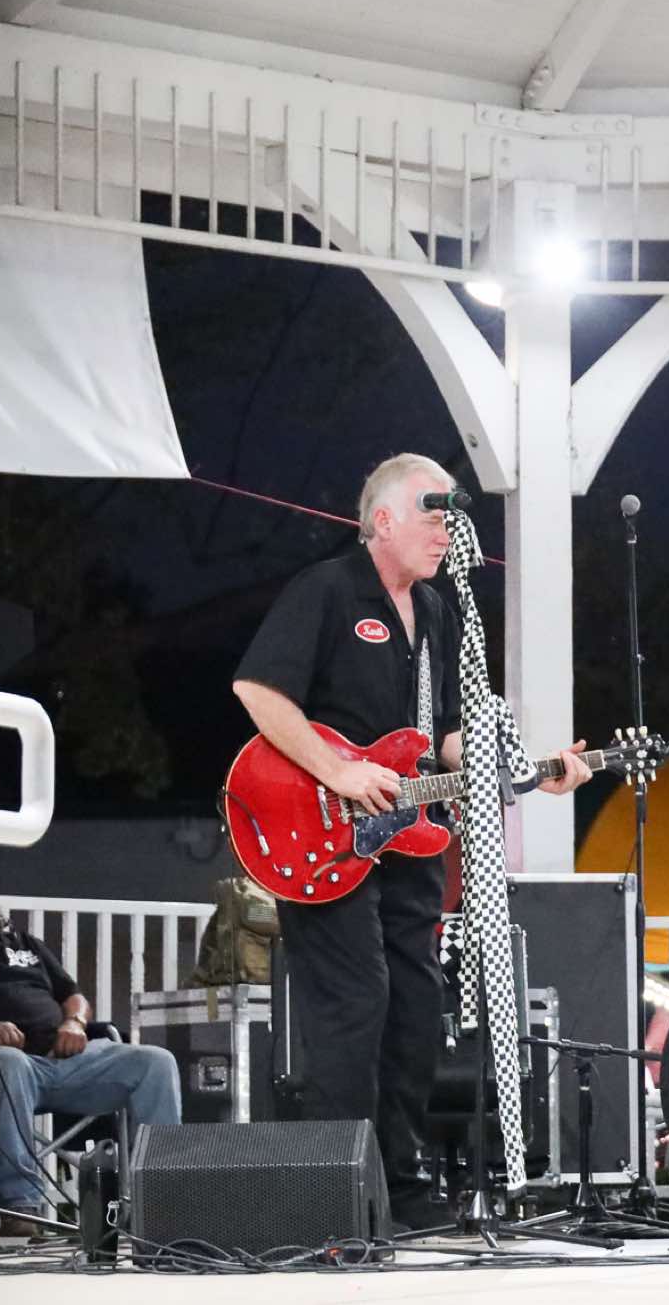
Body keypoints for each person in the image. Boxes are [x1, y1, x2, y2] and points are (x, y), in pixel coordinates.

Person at [231, 452, 591, 1229]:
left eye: (451, 515)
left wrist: (533, 771)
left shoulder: (439, 612)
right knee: (356, 999)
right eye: (432, 510)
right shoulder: (327, 589)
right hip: (323, 832)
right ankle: (338, 1190)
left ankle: (402, 1183)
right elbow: (258, 689)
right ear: (382, 519)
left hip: (409, 839)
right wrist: (340, 770)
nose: (445, 528)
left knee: (417, 1002)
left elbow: (450, 738)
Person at [0, 861, 181, 1228]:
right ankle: (20, 1207)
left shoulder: (27, 944)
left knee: (156, 1062)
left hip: (70, 1057)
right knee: (8, 1061)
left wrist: (74, 1022)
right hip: (7, 1066)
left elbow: (73, 996)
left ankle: (161, 1203)